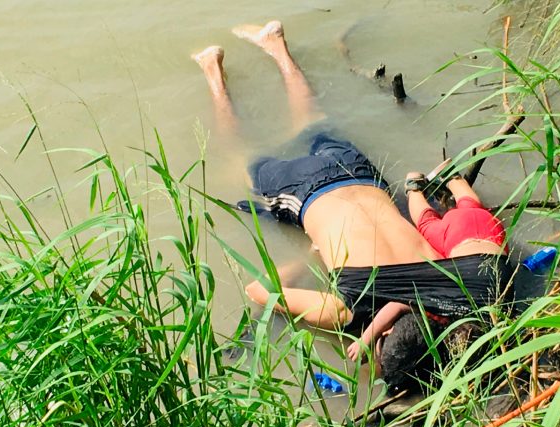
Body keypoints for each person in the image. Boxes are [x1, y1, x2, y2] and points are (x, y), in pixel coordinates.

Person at [194, 21, 513, 389]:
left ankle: (276, 45)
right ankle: (212, 69)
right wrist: (308, 259)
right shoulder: (344, 312)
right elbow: (258, 291)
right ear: (383, 335)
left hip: (362, 176)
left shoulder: (448, 279)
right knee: (241, 159)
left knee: (313, 122)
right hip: (305, 191)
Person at [346, 169, 508, 362]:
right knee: (426, 222)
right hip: (457, 236)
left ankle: (453, 178)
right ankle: (413, 186)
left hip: (493, 232)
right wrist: (365, 340)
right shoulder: (446, 309)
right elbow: (397, 305)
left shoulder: (495, 320)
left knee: (470, 205)